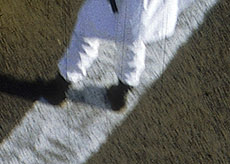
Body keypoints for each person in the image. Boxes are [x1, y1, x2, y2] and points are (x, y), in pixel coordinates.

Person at [42, 0, 179, 111]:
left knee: (86, 32)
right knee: (133, 39)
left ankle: (59, 88)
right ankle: (121, 93)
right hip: (157, 10)